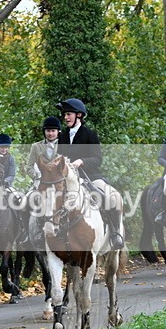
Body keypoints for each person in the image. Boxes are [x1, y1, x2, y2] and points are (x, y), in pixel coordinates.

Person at [57, 98, 125, 249]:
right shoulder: (62, 136)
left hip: (90, 177)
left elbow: (97, 159)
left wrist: (81, 161)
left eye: (68, 114)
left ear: (79, 115)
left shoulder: (90, 134)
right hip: (67, 180)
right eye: (64, 115)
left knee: (109, 198)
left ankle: (115, 234)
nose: (66, 118)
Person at [23, 116, 63, 243]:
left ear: (58, 132)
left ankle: (65, 230)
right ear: (44, 132)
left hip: (59, 184)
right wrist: (36, 175)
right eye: (48, 131)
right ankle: (28, 233)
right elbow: (29, 166)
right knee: (25, 202)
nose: (50, 133)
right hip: (41, 183)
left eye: (53, 131)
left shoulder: (65, 145)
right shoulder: (36, 146)